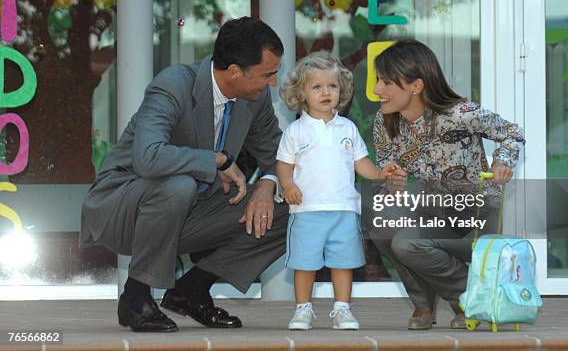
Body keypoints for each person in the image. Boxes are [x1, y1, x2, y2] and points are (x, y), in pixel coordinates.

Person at [80, 17, 289, 332]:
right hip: (125, 207)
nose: (273, 83)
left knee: (291, 208)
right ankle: (135, 297)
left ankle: (191, 290)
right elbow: (148, 157)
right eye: (268, 74)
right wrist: (216, 159)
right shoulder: (175, 83)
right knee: (180, 185)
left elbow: (279, 156)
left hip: (191, 213)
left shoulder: (254, 101)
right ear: (234, 71)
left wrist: (267, 185)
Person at [370, 39, 525, 330]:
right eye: (379, 80)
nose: (378, 90)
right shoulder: (384, 121)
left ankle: (471, 299)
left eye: (387, 82)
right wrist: (392, 184)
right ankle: (440, 303)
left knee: (407, 243)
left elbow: (513, 133)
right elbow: (385, 175)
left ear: (415, 86)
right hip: (434, 214)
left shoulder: (461, 113)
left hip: (475, 217)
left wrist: (503, 161)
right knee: (382, 223)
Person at [276, 51, 399, 330]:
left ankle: (343, 309)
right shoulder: (295, 131)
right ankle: (302, 309)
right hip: (307, 211)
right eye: (316, 87)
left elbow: (361, 163)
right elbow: (283, 165)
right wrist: (288, 186)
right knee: (305, 264)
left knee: (342, 264)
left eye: (332, 86)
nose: (325, 92)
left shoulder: (348, 128)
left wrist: (379, 173)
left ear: (341, 90)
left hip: (344, 209)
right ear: (302, 92)